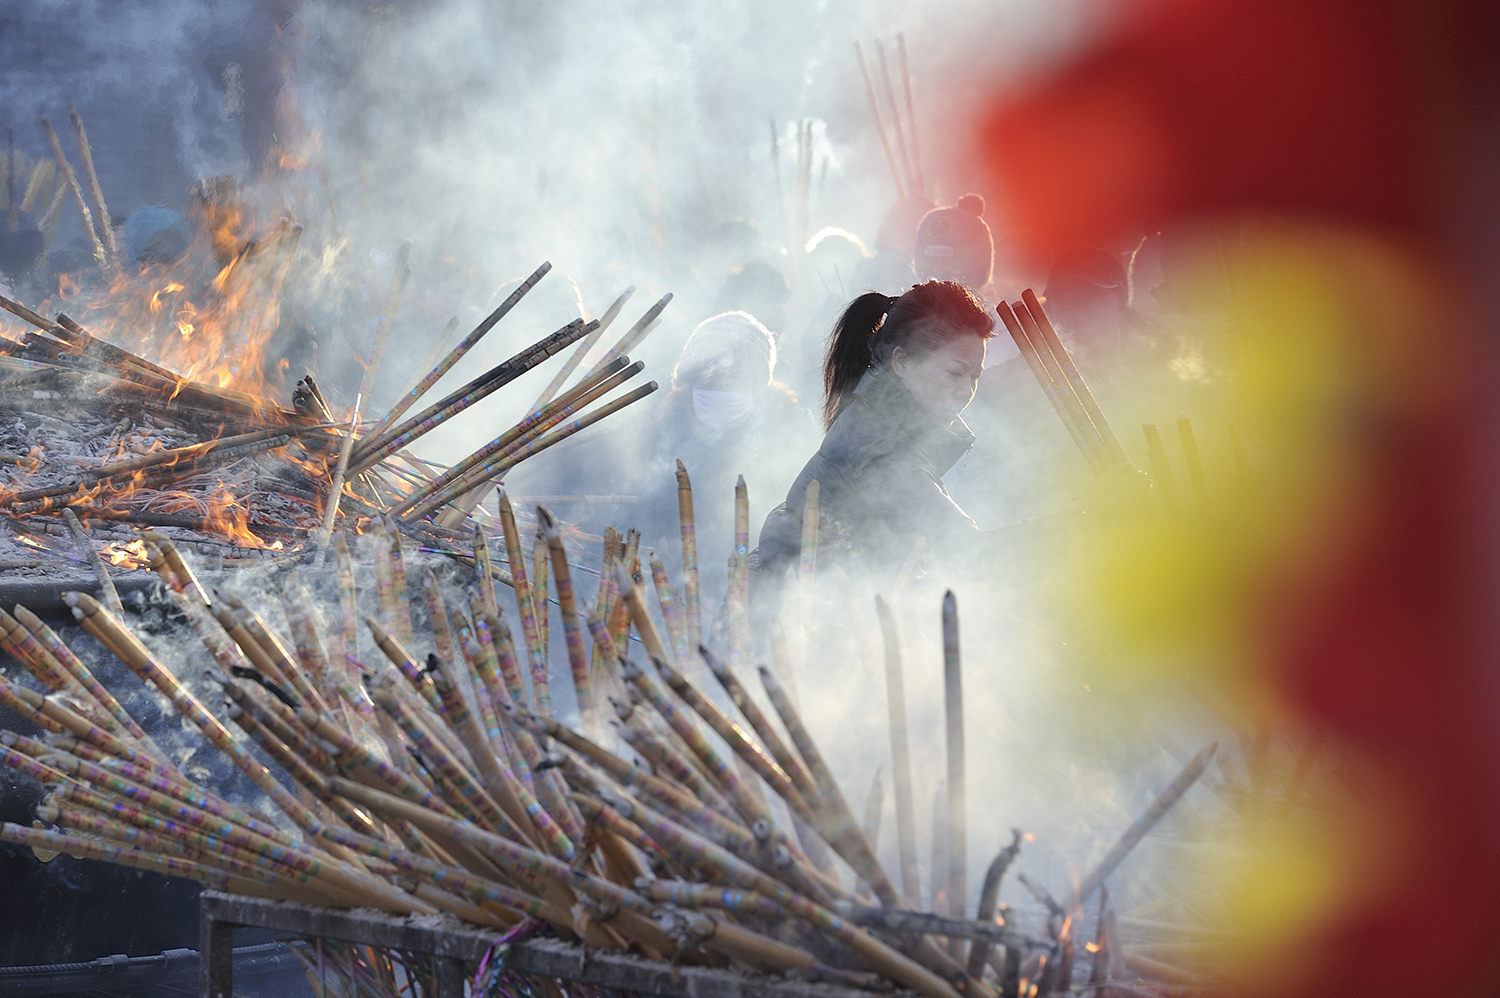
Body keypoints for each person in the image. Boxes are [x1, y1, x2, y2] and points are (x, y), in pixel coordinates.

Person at [751, 280, 995, 600]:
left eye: (975, 377)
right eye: (955, 373)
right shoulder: (880, 446)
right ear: (902, 362)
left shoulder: (881, 422)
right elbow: (965, 549)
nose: (966, 391)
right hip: (787, 625)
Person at [914, 194, 994, 292]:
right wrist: (978, 283)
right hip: (958, 282)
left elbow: (919, 247)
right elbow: (983, 259)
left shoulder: (932, 215)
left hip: (927, 278)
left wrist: (921, 272)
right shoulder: (978, 224)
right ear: (978, 210)